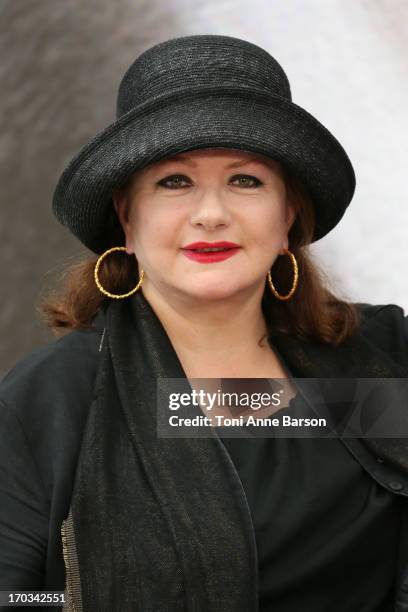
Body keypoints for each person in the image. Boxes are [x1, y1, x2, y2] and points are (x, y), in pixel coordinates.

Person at [0, 33, 407, 612]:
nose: (211, 214)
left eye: (246, 180)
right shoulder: (51, 401)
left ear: (288, 214)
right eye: (174, 182)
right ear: (128, 217)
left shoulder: (382, 355)